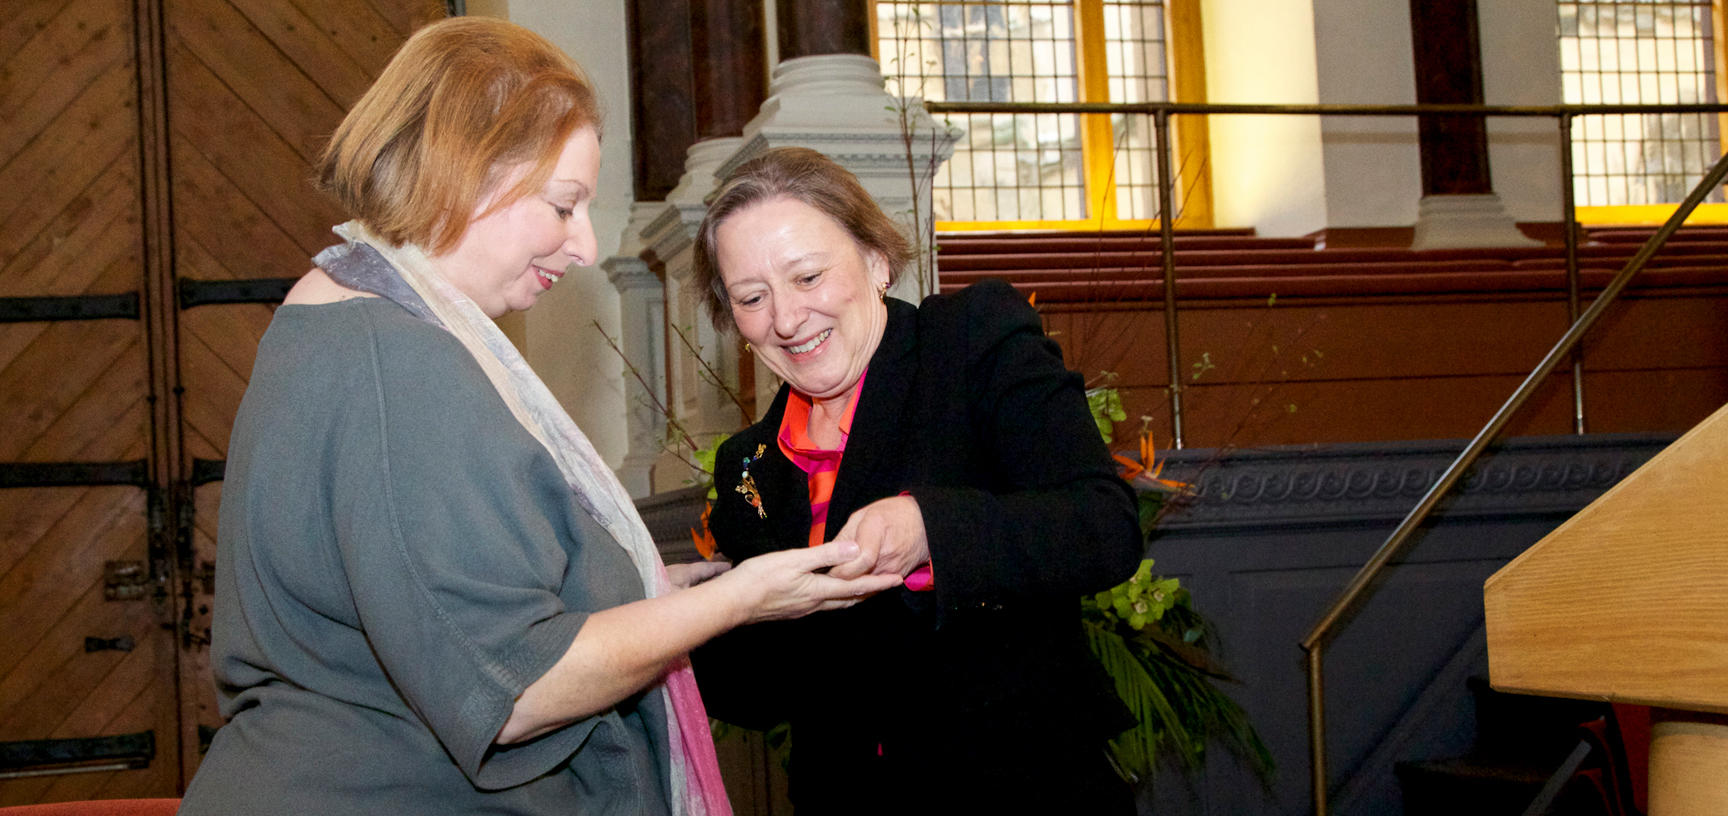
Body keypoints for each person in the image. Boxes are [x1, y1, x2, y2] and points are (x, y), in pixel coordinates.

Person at [178, 19, 898, 816]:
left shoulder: (343, 322)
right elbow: (514, 689)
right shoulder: (397, 358)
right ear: (469, 170)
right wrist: (743, 598)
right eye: (564, 204)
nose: (584, 244)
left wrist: (651, 590)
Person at [688, 147, 1146, 814]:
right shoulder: (749, 465)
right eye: (753, 298)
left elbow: (1103, 527)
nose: (786, 319)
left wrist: (932, 529)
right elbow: (761, 693)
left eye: (809, 277)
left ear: (876, 261)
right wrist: (695, 609)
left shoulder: (966, 345)